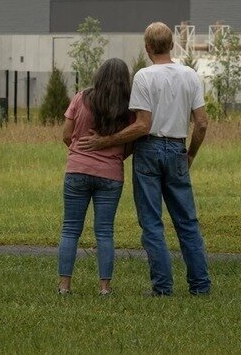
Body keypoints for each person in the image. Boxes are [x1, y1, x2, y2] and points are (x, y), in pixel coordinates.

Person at [79, 22, 211, 296]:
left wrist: (104, 141)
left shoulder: (143, 77)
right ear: (172, 45)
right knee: (187, 222)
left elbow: (142, 125)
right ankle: (200, 286)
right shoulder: (190, 75)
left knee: (152, 223)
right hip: (177, 148)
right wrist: (190, 154)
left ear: (147, 47)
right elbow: (201, 123)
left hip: (149, 151)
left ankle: (163, 288)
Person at [57, 58, 133, 296]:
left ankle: (64, 286)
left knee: (70, 229)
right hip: (111, 175)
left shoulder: (81, 98)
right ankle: (104, 288)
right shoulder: (129, 109)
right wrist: (114, 156)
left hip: (77, 170)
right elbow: (131, 142)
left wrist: (79, 152)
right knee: (105, 231)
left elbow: (66, 134)